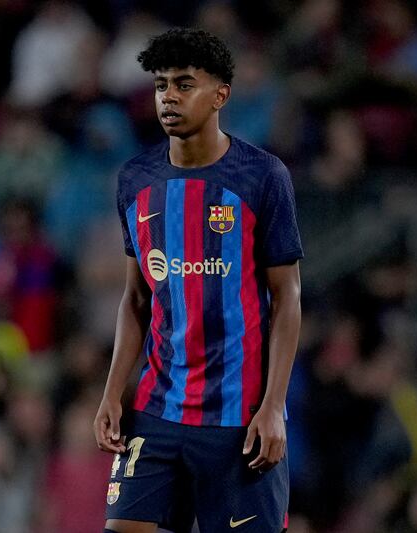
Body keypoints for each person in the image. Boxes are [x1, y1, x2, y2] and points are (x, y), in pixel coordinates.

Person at [93, 28, 303, 533]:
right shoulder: (136, 181)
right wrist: (111, 392)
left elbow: (288, 298)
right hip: (158, 413)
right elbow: (136, 299)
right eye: (162, 85)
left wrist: (274, 407)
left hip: (238, 422)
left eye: (184, 84)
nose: (169, 96)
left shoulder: (263, 176)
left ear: (220, 96)